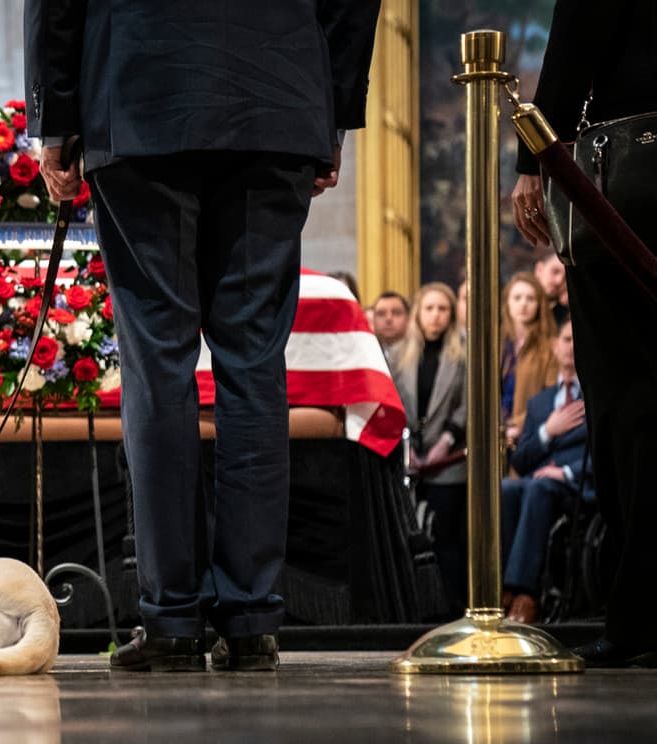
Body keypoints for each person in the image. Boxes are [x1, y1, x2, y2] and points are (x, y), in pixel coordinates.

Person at [25, 1, 381, 671]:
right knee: (253, 362)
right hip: (276, 96)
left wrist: (56, 119)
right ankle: (250, 615)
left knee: (158, 364)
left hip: (138, 91)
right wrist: (330, 108)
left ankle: (171, 615)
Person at [511, 0, 657, 666]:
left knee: (630, 399)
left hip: (633, 184)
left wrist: (532, 159)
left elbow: (577, 39)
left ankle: (638, 615)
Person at [500, 317, 588, 625]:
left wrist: (563, 471)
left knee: (536, 487)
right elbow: (520, 461)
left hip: (575, 484)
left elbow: (604, 454)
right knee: (506, 487)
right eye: (566, 339)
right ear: (555, 346)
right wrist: (546, 432)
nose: (571, 347)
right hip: (535, 484)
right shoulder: (540, 403)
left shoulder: (596, 396)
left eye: (578, 340)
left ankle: (525, 595)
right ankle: (502, 591)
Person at [392, 284, 467, 610]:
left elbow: (467, 405)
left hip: (448, 459)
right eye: (429, 309)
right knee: (408, 536)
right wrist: (405, 446)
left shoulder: (463, 355)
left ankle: (451, 604)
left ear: (451, 315)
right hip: (406, 457)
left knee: (447, 539)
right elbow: (391, 403)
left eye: (443, 309)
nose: (436, 316)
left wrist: (447, 440)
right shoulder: (397, 355)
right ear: (418, 314)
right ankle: (414, 607)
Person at [499, 272, 557, 444]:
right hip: (494, 433)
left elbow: (551, 395)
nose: (523, 304)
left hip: (529, 435)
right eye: (517, 298)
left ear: (539, 304)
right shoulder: (496, 344)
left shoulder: (550, 348)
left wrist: (518, 425)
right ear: (507, 302)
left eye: (530, 298)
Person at [371, 291, 411, 369]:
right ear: (373, 320)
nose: (388, 318)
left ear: (408, 318)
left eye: (396, 313)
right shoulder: (363, 354)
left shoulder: (420, 355)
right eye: (381, 314)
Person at [533, 250, 570, 326]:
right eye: (555, 271)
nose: (559, 281)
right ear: (539, 269)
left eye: (565, 278)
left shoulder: (566, 316)